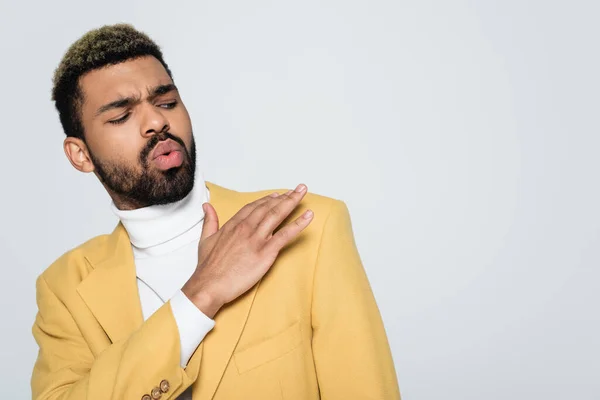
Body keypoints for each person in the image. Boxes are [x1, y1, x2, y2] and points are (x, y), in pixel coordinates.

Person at [30, 23, 400, 400]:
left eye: (166, 102)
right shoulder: (64, 289)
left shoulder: (307, 228)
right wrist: (199, 295)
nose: (157, 122)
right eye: (121, 116)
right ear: (81, 154)